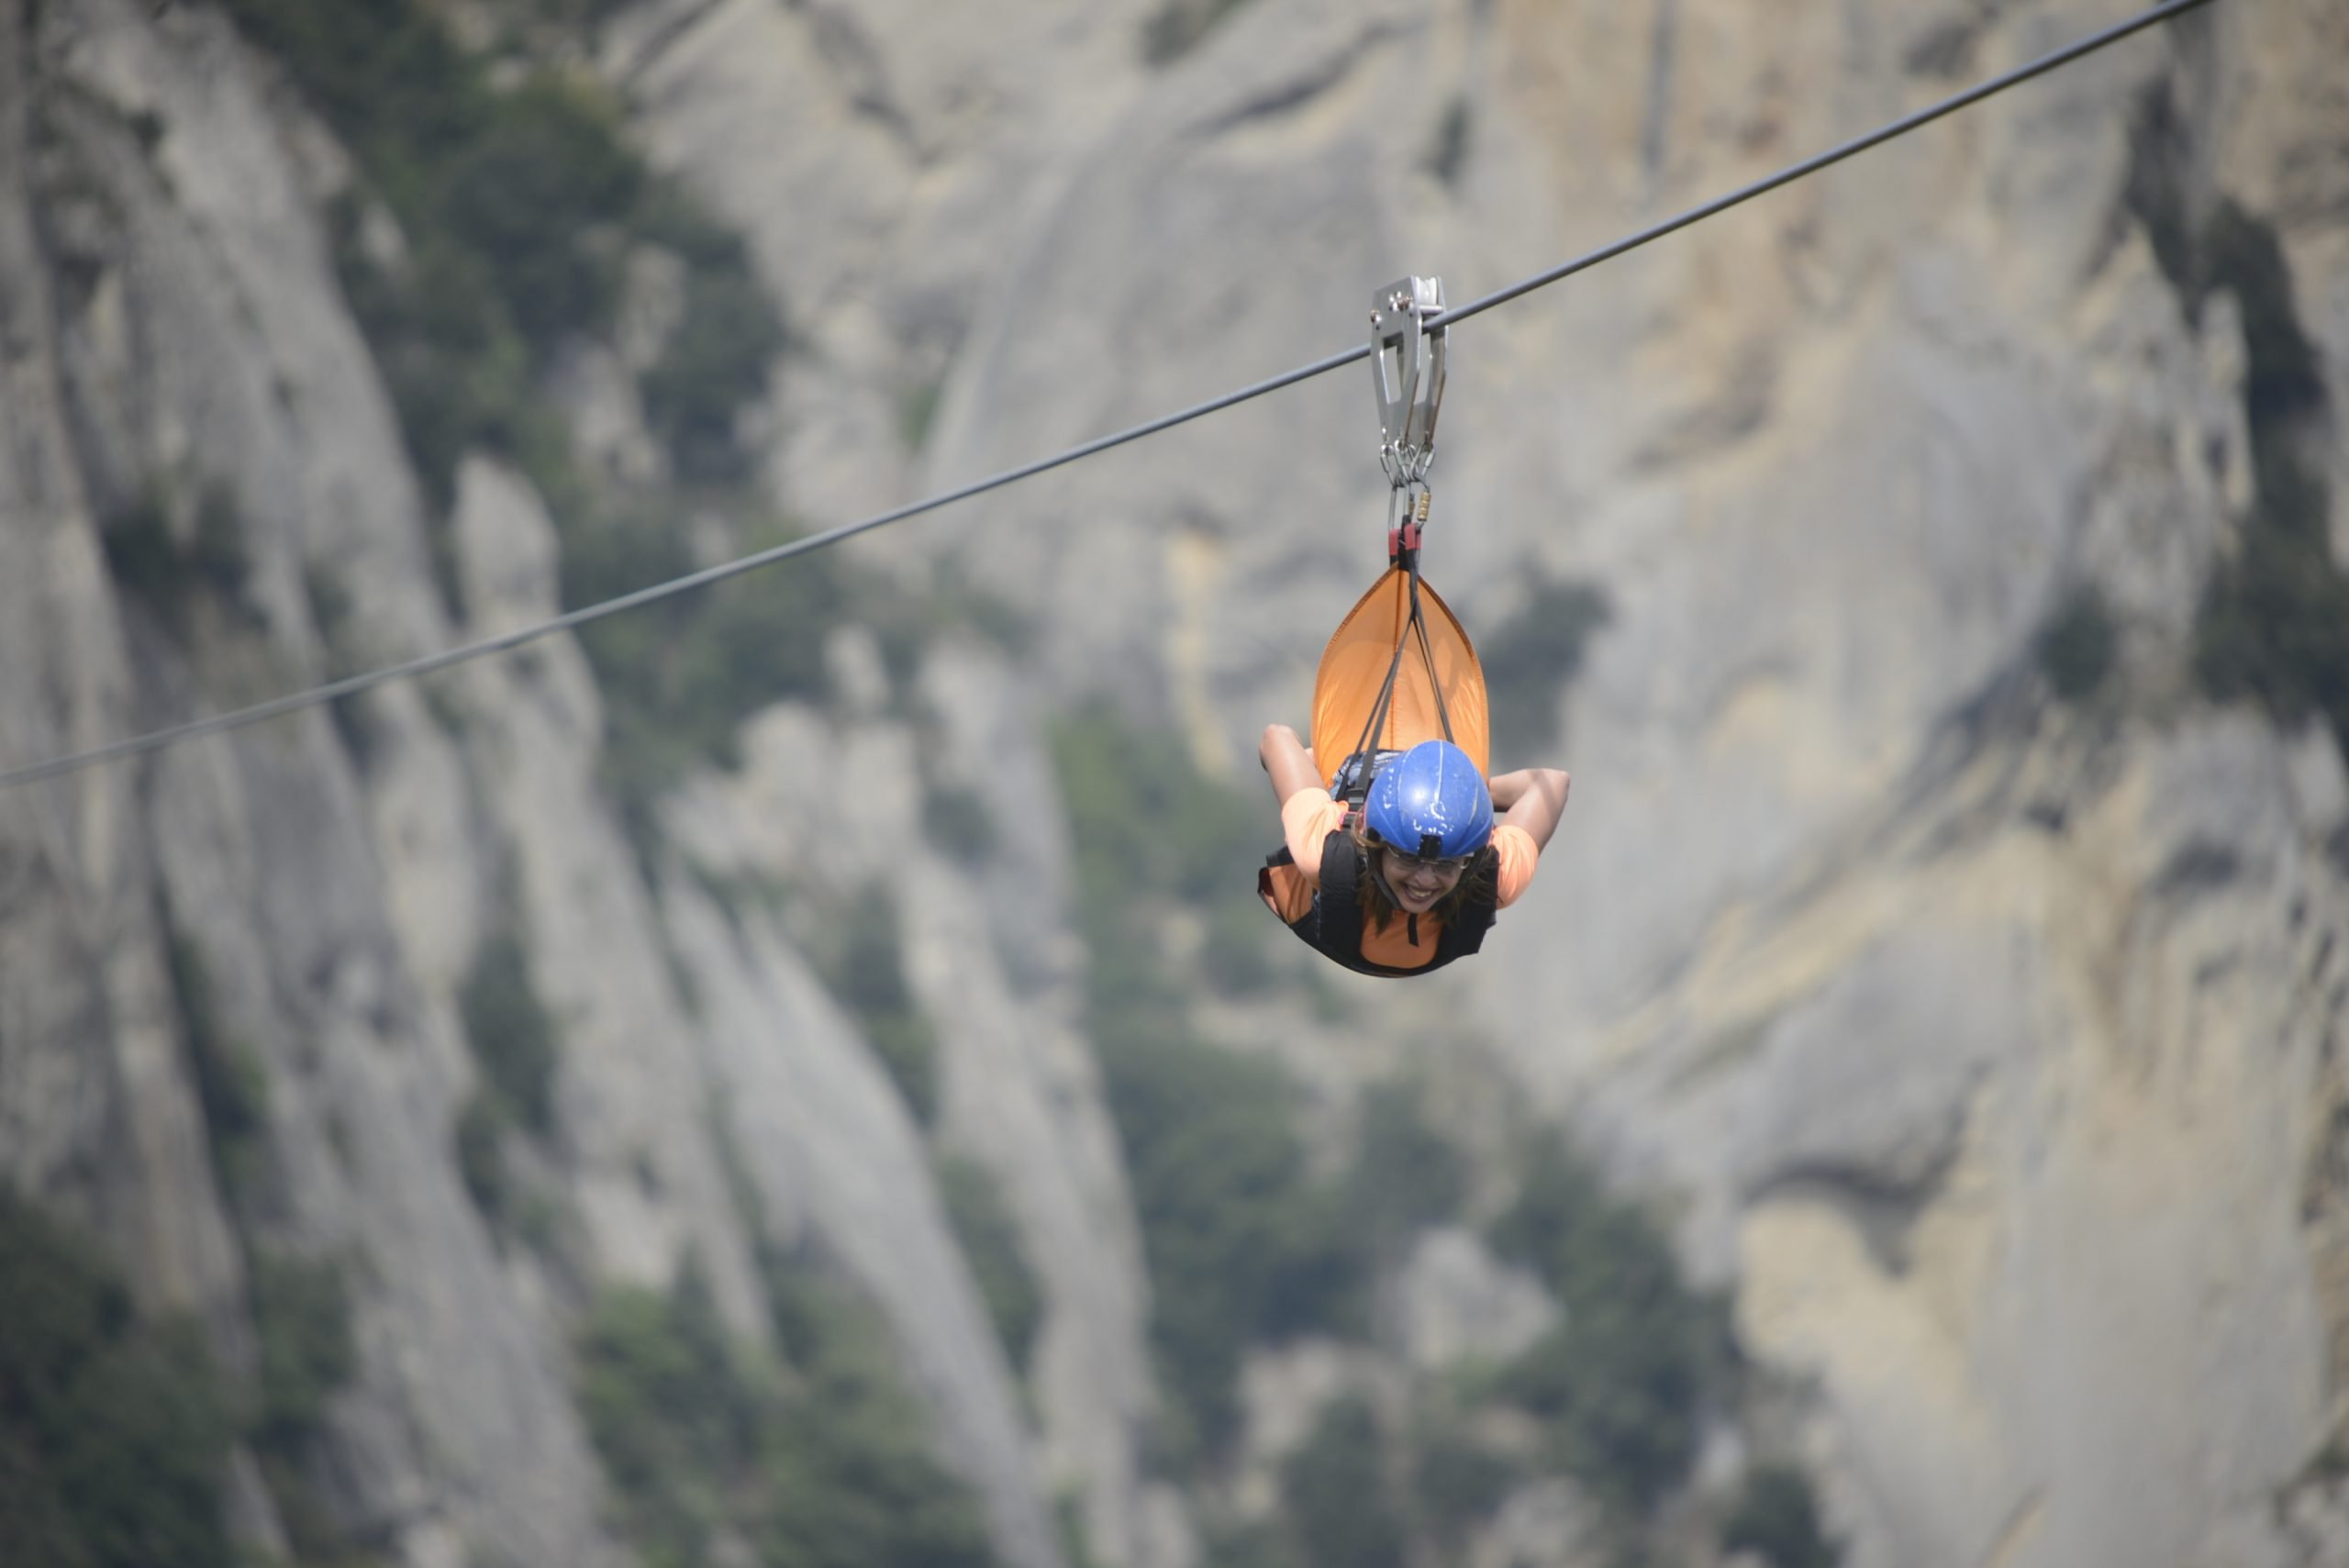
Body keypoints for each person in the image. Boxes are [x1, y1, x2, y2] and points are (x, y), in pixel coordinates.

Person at [1257, 724, 1569, 977]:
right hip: (1316, 913)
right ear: (1376, 847)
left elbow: (1555, 782)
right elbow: (1275, 738)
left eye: (1446, 864)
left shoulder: (1492, 874)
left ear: (1470, 861)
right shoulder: (1324, 849)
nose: (1425, 879)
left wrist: (1459, 792)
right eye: (1408, 857)